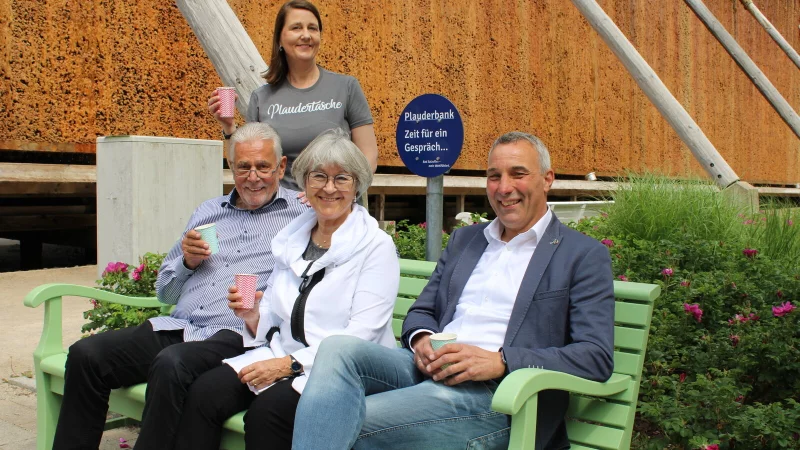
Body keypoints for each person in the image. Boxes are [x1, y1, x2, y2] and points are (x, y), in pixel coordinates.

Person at [291, 132, 616, 450]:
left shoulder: (580, 255)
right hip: (427, 370)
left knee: (345, 419)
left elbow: (595, 356)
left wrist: (501, 361)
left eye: (518, 174)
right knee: (336, 349)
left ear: (547, 179)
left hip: (499, 399)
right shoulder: (467, 240)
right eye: (493, 176)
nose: (504, 188)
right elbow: (422, 311)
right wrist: (422, 340)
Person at [52, 122, 305, 450]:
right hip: (180, 325)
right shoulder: (209, 212)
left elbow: (342, 212)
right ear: (231, 166)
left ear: (281, 166)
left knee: (173, 364)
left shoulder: (301, 214)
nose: (253, 176)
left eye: (262, 167)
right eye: (243, 166)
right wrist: (186, 263)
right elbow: (165, 293)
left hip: (237, 334)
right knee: (86, 355)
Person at [173, 128, 399, 450]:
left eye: (342, 178)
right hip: (282, 354)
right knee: (205, 393)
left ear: (357, 185)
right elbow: (275, 315)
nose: (329, 188)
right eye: (319, 176)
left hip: (340, 371)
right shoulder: (293, 238)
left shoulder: (375, 246)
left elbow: (361, 336)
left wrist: (287, 366)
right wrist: (252, 315)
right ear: (305, 184)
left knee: (268, 414)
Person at [208, 0, 378, 192]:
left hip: (334, 207)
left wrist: (340, 194)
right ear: (280, 39)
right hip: (281, 213)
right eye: (296, 28)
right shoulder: (261, 98)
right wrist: (229, 127)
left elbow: (368, 156)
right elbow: (247, 167)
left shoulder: (346, 87)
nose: (306, 35)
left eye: (312, 28)